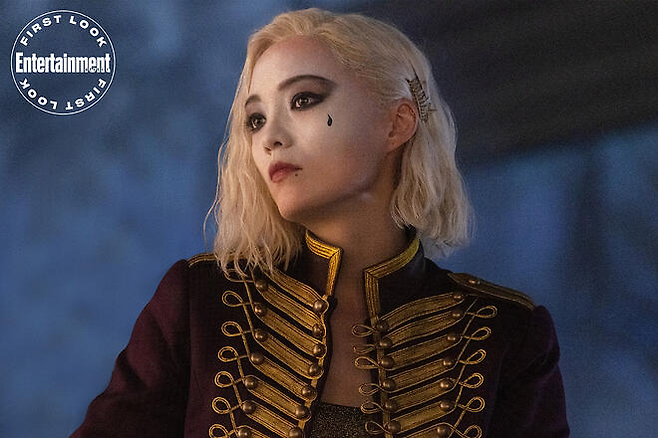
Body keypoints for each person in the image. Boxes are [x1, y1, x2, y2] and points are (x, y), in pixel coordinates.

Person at [72, 8, 569, 438]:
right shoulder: (199, 303)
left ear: (396, 122)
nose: (269, 137)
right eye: (255, 119)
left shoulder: (508, 333)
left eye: (304, 100)